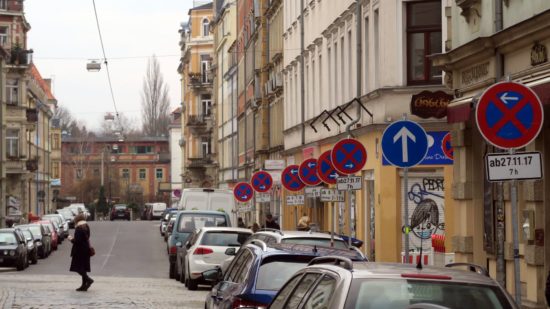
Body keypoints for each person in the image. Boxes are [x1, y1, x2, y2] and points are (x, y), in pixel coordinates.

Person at [69, 214, 94, 291]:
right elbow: (86, 238)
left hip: (79, 251)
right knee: (83, 268)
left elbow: (77, 241)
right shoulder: (86, 226)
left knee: (77, 268)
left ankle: (88, 280)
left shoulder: (79, 228)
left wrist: (71, 239)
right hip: (86, 250)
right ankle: (84, 285)